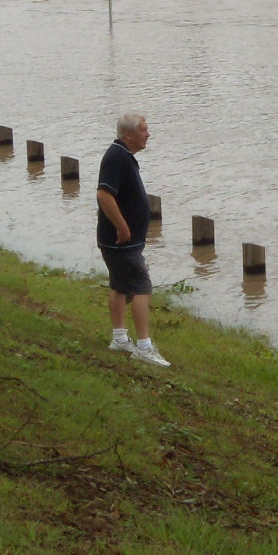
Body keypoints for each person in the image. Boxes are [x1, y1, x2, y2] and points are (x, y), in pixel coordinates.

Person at [96, 111, 167, 366]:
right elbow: (104, 194)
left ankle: (120, 339)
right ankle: (144, 347)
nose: (148, 134)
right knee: (141, 287)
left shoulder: (123, 155)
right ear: (128, 134)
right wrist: (123, 227)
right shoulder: (117, 157)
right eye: (143, 130)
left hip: (120, 241)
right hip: (121, 241)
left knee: (119, 285)